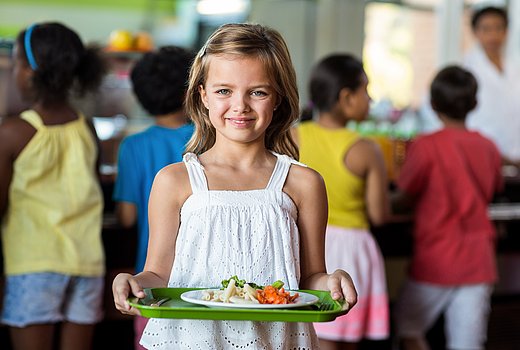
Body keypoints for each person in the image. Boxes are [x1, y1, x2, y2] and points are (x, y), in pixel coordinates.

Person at [112, 23, 358, 349]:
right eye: (224, 91)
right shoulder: (173, 181)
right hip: (191, 341)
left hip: (275, 341)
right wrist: (131, 281)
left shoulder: (304, 183)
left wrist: (333, 281)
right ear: (202, 96)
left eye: (258, 92)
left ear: (278, 98)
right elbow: (158, 275)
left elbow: (312, 278)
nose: (240, 105)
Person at [0, 22, 106, 350]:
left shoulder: (13, 133)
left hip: (33, 262)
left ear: (31, 71)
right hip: (88, 263)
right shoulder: (86, 127)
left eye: (16, 62)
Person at [392, 66, 503, 350]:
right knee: (468, 344)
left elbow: (405, 197)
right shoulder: (489, 147)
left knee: (408, 329)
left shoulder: (426, 146)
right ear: (475, 104)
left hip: (436, 258)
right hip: (479, 262)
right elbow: (491, 191)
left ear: (432, 104)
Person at [295, 54, 390, 349]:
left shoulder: (291, 136)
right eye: (366, 90)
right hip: (351, 251)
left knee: (314, 336)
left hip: (305, 244)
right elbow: (379, 214)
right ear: (346, 97)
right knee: (346, 339)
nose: (370, 99)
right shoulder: (366, 149)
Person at [112, 45, 194, 350]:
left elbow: (127, 216)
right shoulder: (208, 138)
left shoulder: (133, 146)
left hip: (150, 276)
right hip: (201, 279)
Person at [463, 6, 520, 166]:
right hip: (482, 159)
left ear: (506, 31)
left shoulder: (516, 67)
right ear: (475, 32)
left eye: (498, 28)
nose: (493, 35)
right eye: (486, 29)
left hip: (516, 159)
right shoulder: (465, 70)